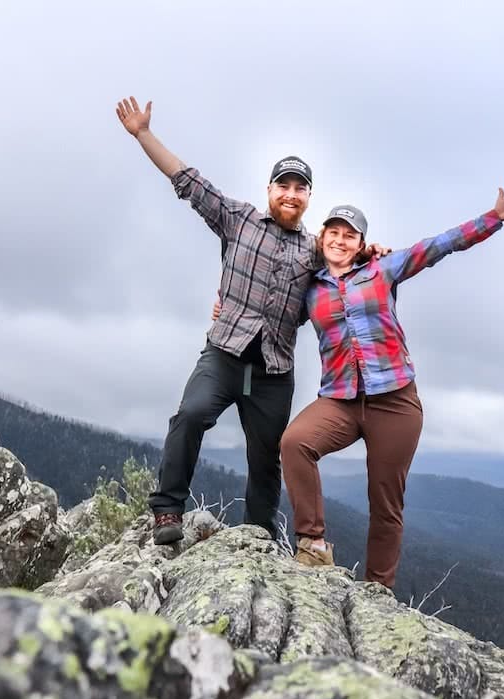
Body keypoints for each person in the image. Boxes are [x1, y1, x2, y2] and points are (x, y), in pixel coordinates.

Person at [115, 95, 346, 544]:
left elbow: (351, 259)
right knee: (191, 416)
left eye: (300, 188)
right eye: (284, 185)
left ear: (308, 197)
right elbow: (188, 181)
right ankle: (167, 511)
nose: (291, 194)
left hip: (274, 371)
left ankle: (258, 533)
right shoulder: (238, 220)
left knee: (266, 455)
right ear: (270, 190)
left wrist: (372, 251)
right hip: (223, 353)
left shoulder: (316, 250)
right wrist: (143, 133)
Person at [280, 191, 504, 588]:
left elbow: (439, 246)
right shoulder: (311, 289)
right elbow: (273, 305)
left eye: (350, 236)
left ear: (361, 244)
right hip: (340, 399)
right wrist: (223, 306)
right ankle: (312, 546)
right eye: (334, 232)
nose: (340, 241)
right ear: (321, 236)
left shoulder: (383, 270)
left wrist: (494, 217)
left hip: (395, 401)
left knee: (385, 503)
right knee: (295, 443)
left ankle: (378, 589)